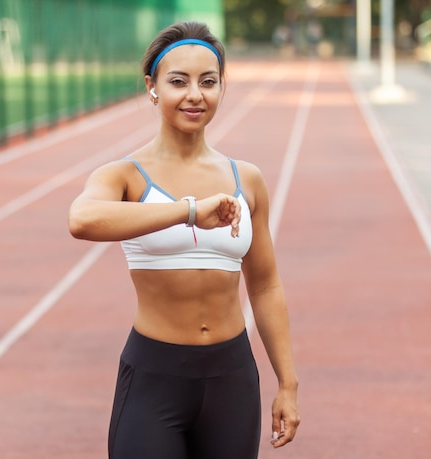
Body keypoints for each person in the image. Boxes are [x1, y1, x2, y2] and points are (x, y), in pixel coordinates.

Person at [68, 21, 300, 459]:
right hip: (155, 377)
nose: (195, 94)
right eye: (178, 81)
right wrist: (190, 210)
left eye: (208, 82)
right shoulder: (123, 175)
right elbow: (81, 220)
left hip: (232, 377)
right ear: (152, 87)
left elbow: (266, 286)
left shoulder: (246, 180)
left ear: (221, 89)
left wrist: (287, 383)